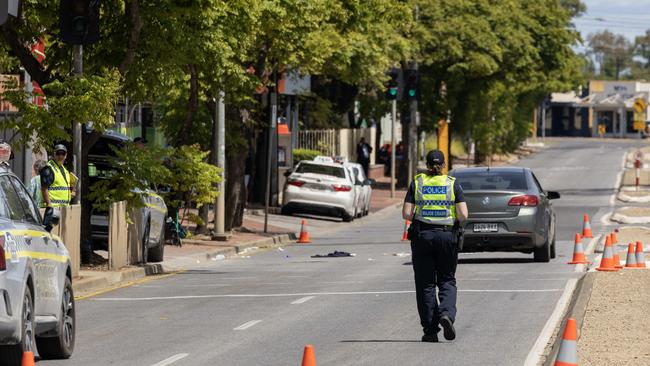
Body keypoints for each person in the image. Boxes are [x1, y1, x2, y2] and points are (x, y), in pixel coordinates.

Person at [401, 150, 468, 343]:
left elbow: (406, 213)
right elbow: (463, 215)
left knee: (426, 285)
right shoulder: (452, 183)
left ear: (427, 165)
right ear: (444, 165)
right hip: (447, 236)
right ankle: (446, 313)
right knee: (447, 279)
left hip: (423, 236)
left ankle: (430, 331)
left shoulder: (418, 182)